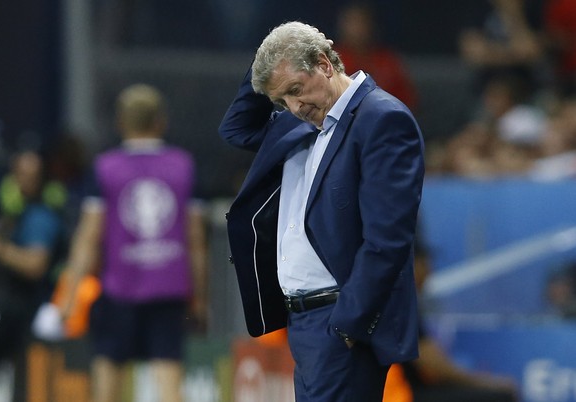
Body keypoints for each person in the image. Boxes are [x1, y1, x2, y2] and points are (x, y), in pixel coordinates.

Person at [219, 21, 425, 402]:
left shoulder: (381, 119)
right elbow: (235, 128)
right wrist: (271, 55)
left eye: (296, 90)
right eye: (282, 101)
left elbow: (388, 240)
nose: (294, 107)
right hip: (305, 323)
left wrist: (347, 326)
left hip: (339, 321)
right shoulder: (298, 123)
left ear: (324, 64)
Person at [59, 84, 208, 402]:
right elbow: (196, 241)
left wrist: (69, 296)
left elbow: (88, 238)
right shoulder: (184, 166)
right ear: (161, 122)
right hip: (169, 291)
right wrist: (201, 300)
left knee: (107, 384)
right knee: (169, 384)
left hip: (118, 293)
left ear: (120, 123)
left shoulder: (104, 168)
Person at [381, 245, 518, 402]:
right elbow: (434, 366)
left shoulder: (400, 302)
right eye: (425, 264)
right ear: (411, 265)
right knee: (501, 397)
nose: (429, 272)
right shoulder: (400, 305)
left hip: (408, 390)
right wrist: (486, 383)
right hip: (402, 394)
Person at [0, 150, 65, 401]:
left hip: (24, 307)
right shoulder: (9, 210)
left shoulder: (41, 216)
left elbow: (35, 265)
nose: (25, 181)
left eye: (32, 175)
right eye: (20, 174)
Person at [335, 3, 418, 110]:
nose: (357, 29)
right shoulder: (332, 60)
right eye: (352, 23)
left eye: (362, 23)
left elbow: (407, 103)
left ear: (371, 26)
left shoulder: (388, 61)